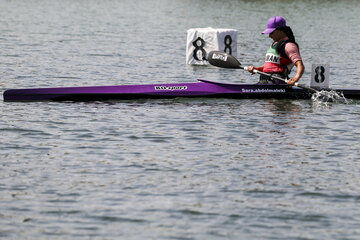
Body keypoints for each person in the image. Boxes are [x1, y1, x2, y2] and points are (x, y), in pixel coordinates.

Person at [247, 16, 304, 85]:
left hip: (277, 81)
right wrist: (256, 69)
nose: (269, 36)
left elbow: (300, 65)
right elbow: (270, 67)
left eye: (271, 33)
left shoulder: (289, 46)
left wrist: (295, 78)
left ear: (281, 31)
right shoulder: (274, 44)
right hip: (265, 80)